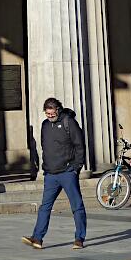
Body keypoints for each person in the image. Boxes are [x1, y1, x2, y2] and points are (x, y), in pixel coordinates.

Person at [22, 97, 87, 251]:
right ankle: (37, 238)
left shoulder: (68, 122)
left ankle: (79, 238)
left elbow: (80, 145)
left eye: (52, 114)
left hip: (67, 172)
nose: (49, 116)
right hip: (50, 174)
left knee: (76, 206)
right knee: (45, 207)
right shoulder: (45, 125)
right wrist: (45, 167)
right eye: (47, 114)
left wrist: (76, 167)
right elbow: (45, 147)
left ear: (58, 110)